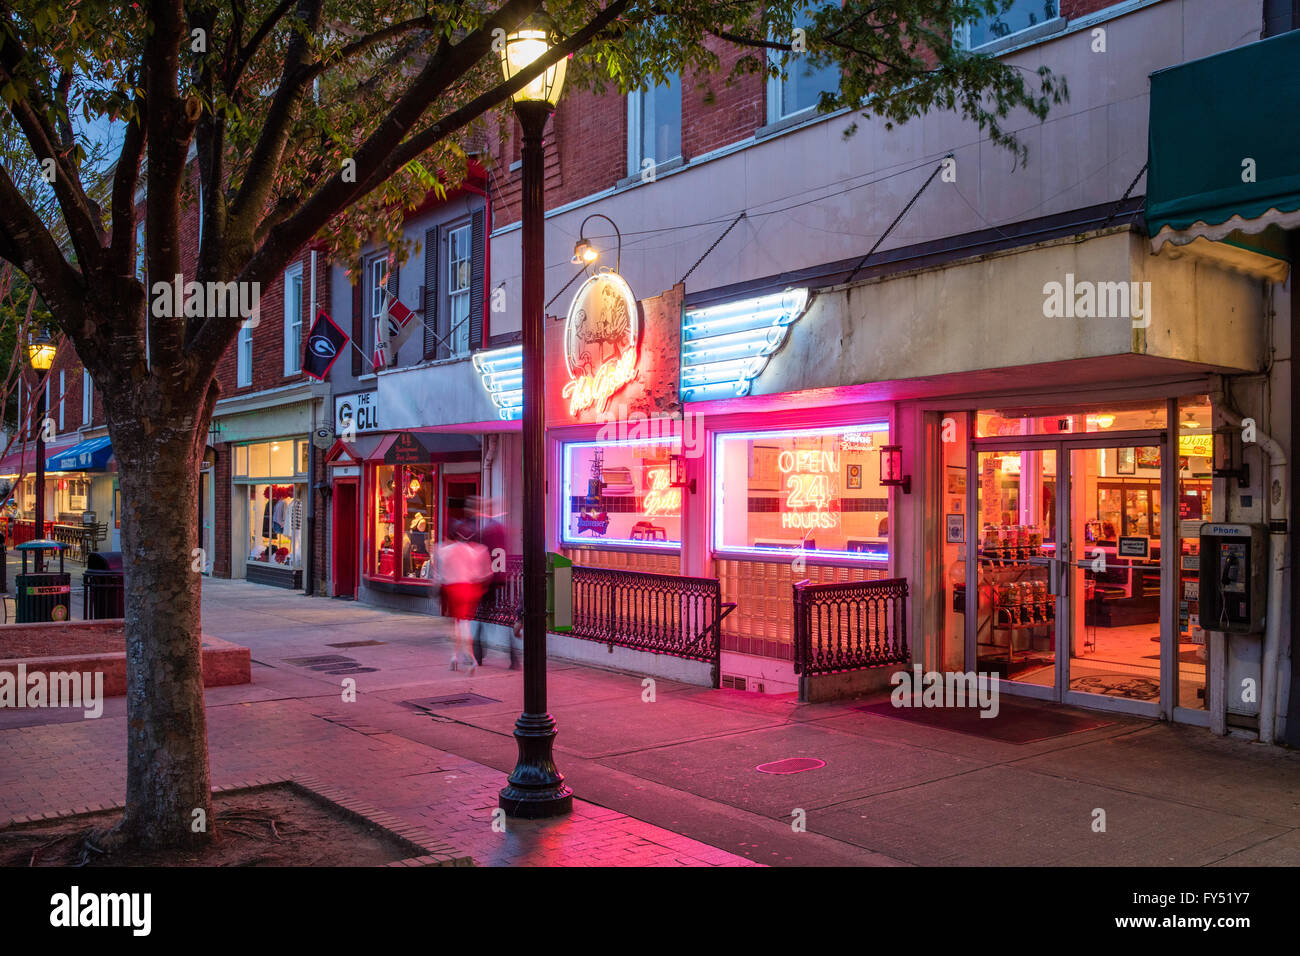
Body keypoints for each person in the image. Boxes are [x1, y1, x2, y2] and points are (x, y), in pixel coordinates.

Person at [468, 497, 515, 668]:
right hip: (499, 578)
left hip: (488, 580)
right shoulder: (499, 528)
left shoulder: (487, 530)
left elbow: (483, 556)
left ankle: (479, 654)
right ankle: (510, 656)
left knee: (481, 618)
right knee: (500, 619)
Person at [438, 527, 490, 675]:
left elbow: (440, 574)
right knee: (464, 622)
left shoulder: (445, 551)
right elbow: (480, 574)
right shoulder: (471, 551)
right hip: (467, 588)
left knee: (456, 623)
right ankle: (464, 657)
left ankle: (461, 657)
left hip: (452, 588)